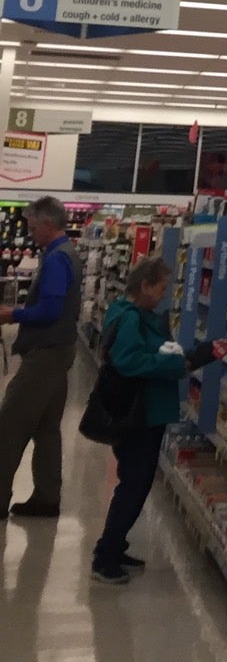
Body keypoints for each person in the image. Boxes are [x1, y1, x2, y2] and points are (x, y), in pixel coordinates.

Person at [92, 256, 227, 586]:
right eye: (162, 288)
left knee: (135, 482)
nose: (164, 294)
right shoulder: (129, 318)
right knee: (134, 484)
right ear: (145, 286)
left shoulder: (138, 316)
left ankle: (114, 546)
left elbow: (160, 353)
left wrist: (199, 354)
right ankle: (105, 557)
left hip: (144, 411)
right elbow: (130, 361)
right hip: (138, 414)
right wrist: (175, 365)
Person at [0, 196, 82, 519]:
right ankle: (47, 498)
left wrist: (13, 314)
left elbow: (50, 310)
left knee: (10, 424)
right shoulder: (66, 253)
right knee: (47, 428)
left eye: (33, 227)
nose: (31, 233)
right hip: (60, 349)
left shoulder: (57, 259)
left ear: (48, 223)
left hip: (45, 355)